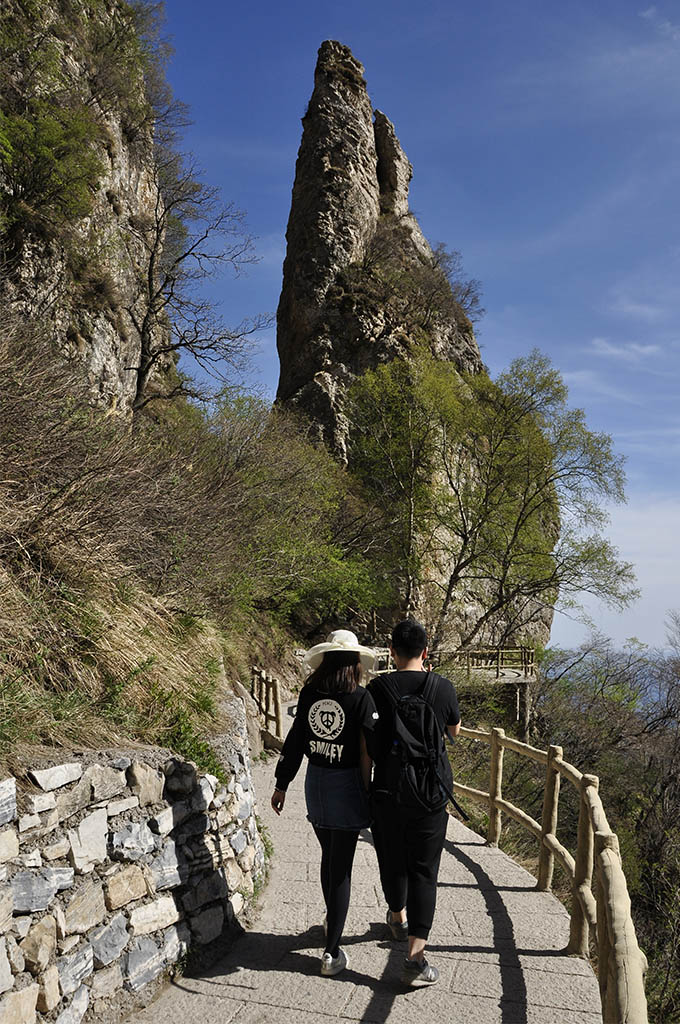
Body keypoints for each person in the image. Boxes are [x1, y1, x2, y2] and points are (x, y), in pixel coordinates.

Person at [271, 629, 378, 977]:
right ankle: (331, 952)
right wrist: (367, 792)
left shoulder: (309, 693)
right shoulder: (361, 698)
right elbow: (365, 753)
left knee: (328, 857)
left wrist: (281, 784)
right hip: (347, 784)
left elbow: (297, 737)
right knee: (341, 867)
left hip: (315, 781)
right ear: (354, 664)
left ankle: (331, 921)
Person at [368, 619, 461, 987]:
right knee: (424, 870)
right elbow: (453, 733)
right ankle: (415, 956)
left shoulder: (376, 688)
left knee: (391, 858)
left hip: (388, 791)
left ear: (391, 651)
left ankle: (396, 916)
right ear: (425, 652)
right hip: (431, 794)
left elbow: (368, 744)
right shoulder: (443, 687)